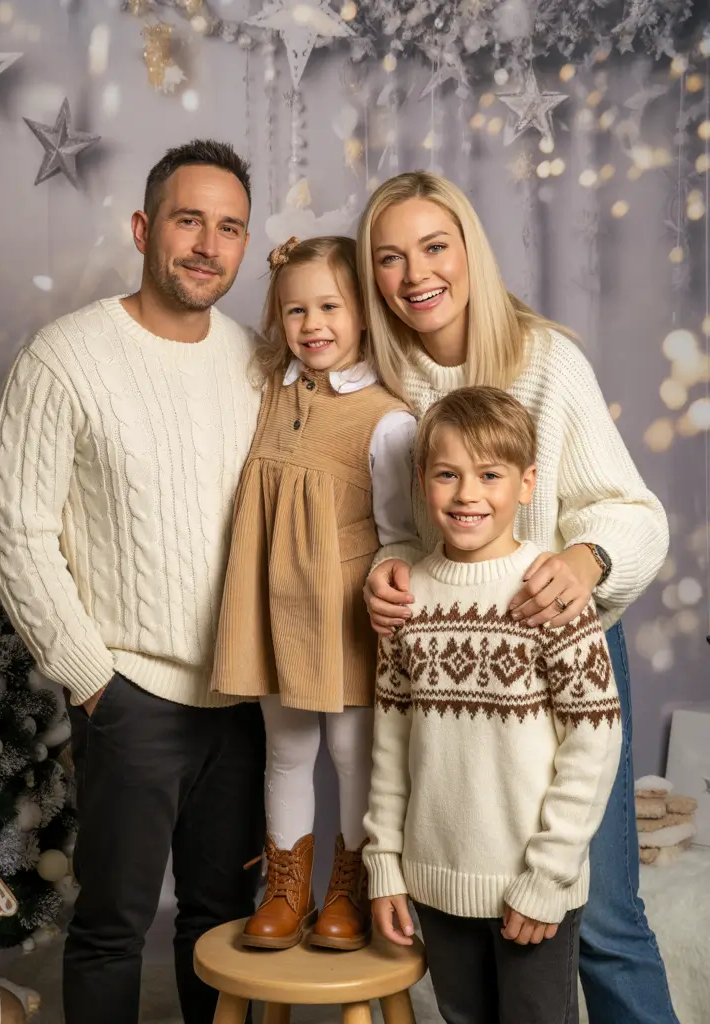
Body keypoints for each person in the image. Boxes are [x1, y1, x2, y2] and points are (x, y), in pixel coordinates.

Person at [357, 171, 676, 1024]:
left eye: (434, 247)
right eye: (389, 258)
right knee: (470, 935)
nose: (415, 274)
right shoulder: (383, 381)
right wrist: (387, 569)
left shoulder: (547, 361)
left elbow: (634, 512)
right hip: (451, 651)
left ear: (470, 250)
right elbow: (401, 525)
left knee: (598, 915)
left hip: (558, 640)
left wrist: (586, 558)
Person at [0, 139, 266, 1024]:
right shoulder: (65, 358)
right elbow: (14, 531)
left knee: (223, 925)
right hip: (130, 693)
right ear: (144, 229)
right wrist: (92, 677)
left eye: (229, 228)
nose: (208, 246)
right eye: (189, 221)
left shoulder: (258, 361)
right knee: (112, 927)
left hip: (240, 699)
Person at [366, 386, 623, 1024]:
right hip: (436, 883)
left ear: (527, 484)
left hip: (532, 888)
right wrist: (385, 866)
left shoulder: (552, 595)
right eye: (447, 474)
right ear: (421, 481)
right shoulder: (405, 599)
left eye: (489, 475)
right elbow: (391, 746)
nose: (467, 494)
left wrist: (549, 876)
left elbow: (593, 745)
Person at [211, 235, 418, 952]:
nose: (312, 324)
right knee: (288, 750)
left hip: (345, 616)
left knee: (354, 755)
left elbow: (399, 535)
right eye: (296, 310)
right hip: (276, 609)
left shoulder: (388, 419)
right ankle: (286, 889)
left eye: (330, 306)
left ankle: (349, 888)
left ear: (363, 312)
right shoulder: (270, 391)